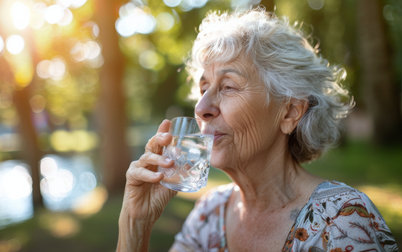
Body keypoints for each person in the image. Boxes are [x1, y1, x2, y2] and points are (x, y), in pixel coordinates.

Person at [116, 8, 398, 252]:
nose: (202, 107)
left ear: (289, 112)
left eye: (228, 86)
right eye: (203, 89)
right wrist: (135, 223)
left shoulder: (341, 221)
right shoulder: (210, 213)